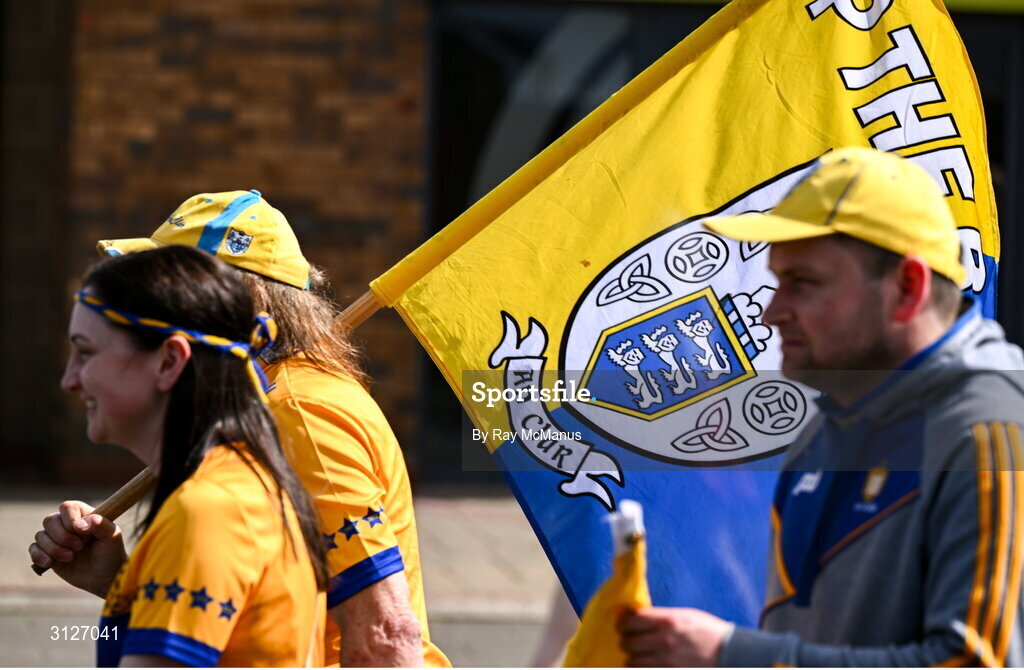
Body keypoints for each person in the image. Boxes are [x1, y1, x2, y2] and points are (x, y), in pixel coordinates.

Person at [618, 147, 1024, 666]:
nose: (770, 313)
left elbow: (973, 663)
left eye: (802, 283)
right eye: (776, 280)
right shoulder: (825, 427)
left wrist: (733, 655)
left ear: (908, 287)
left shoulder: (986, 430)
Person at [38, 189, 447, 667]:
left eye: (163, 291)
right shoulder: (265, 410)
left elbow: (384, 635)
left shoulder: (297, 414)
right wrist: (121, 582)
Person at [31, 246, 328, 666]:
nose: (69, 380)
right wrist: (119, 582)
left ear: (169, 361)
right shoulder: (235, 481)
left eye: (86, 352)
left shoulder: (208, 510)